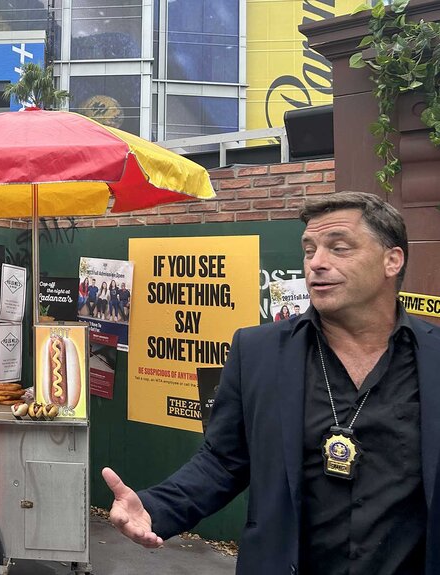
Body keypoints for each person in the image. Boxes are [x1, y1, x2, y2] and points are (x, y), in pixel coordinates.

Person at [103, 191, 440, 575]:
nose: (317, 263)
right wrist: (155, 508)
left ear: (391, 260)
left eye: (338, 248)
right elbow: (223, 461)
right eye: (309, 249)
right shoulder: (258, 352)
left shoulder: (434, 358)